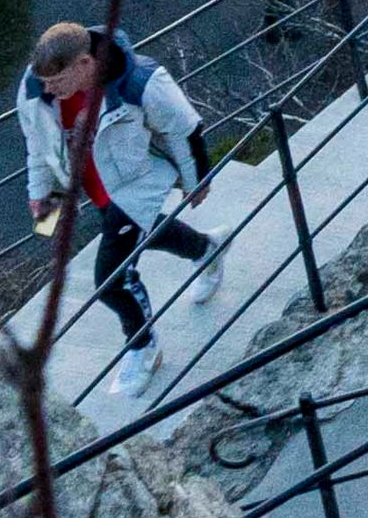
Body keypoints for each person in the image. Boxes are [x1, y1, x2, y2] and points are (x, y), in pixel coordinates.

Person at [13, 23, 223, 358]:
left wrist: (196, 180)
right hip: (97, 188)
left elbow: (184, 129)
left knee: (110, 280)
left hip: (134, 185)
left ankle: (142, 347)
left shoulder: (139, 80)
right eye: (45, 82)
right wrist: (45, 203)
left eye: (57, 81)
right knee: (145, 230)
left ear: (84, 64)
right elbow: (40, 148)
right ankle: (208, 248)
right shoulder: (35, 90)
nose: (49, 89)